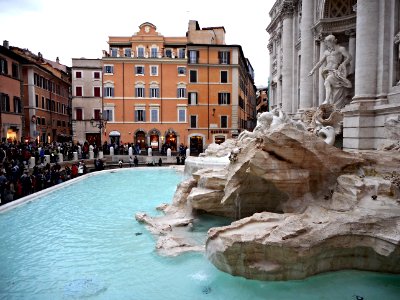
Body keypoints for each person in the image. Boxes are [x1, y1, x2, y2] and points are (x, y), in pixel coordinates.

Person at [308, 34, 352, 109]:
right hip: (327, 71)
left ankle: (326, 100)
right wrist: (313, 70)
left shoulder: (340, 49)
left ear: (332, 42)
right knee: (330, 88)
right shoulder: (326, 52)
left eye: (327, 43)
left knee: (327, 82)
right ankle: (330, 101)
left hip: (336, 71)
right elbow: (320, 62)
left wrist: (343, 64)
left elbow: (349, 57)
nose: (327, 44)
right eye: (326, 43)